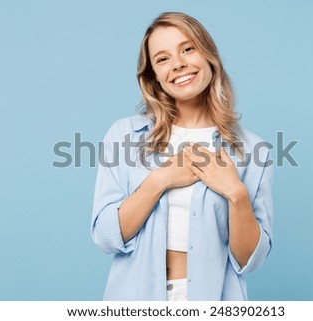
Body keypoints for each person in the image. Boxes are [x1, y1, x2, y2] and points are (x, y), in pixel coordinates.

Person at [91, 12, 273, 301]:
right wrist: (159, 180)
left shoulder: (252, 149)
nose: (178, 64)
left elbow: (251, 260)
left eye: (188, 49)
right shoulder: (124, 135)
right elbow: (106, 236)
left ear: (208, 55)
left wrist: (236, 193)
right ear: (153, 76)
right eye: (162, 59)